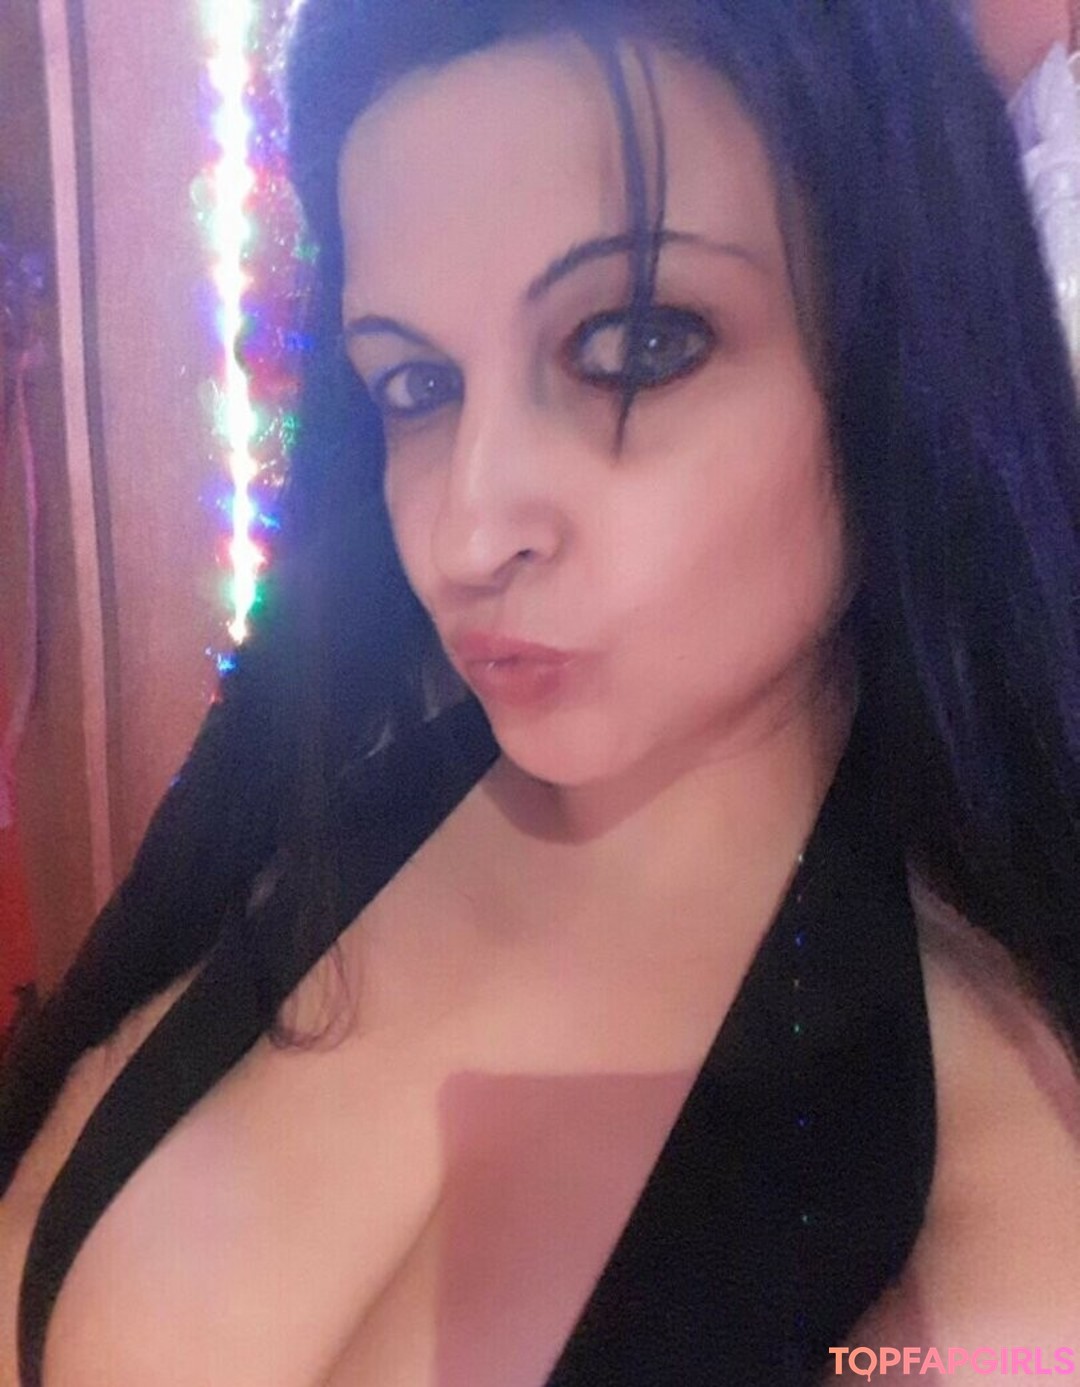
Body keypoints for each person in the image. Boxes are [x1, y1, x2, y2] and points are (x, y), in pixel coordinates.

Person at [3, 0, 1080, 1382]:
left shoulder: (988, 1214)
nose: (467, 532)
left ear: (900, 350)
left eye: (636, 347)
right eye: (414, 386)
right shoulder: (317, 798)